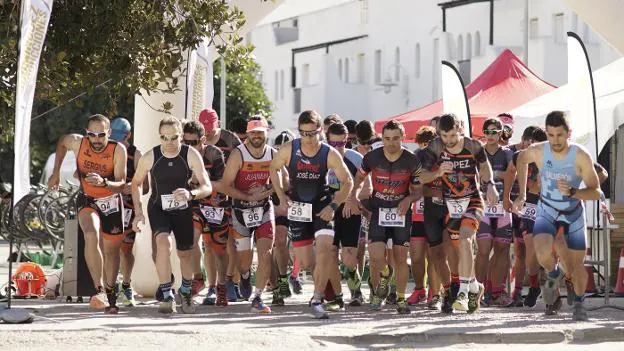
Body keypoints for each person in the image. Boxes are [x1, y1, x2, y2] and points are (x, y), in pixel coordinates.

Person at [512, 111, 602, 320]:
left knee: (575, 265)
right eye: (551, 135)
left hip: (573, 213)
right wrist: (522, 194)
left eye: (560, 135)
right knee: (542, 254)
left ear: (569, 133)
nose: (555, 141)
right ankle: (554, 275)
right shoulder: (539, 151)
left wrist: (574, 192)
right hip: (547, 210)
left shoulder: (580, 156)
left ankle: (579, 304)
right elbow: (521, 159)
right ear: (546, 133)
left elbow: (596, 191)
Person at [270, 110, 353, 319]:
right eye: (303, 133)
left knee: (325, 248)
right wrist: (281, 196)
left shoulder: (329, 153)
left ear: (320, 131)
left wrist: (334, 206)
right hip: (298, 207)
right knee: (306, 263)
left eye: (312, 133)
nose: (307, 139)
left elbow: (348, 182)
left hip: (322, 206)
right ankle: (327, 284)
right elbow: (274, 168)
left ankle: (317, 298)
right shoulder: (290, 148)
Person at [131, 116, 212, 314]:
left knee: (185, 253)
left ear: (181, 136)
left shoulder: (191, 154)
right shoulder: (151, 156)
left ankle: (185, 293)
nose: (168, 143)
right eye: (164, 138)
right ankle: (166, 294)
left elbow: (207, 187)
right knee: (162, 244)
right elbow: (135, 183)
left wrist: (191, 194)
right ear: (159, 137)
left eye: (173, 138)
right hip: (158, 208)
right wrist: (138, 212)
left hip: (183, 209)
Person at [419, 113, 499, 313]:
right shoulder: (435, 147)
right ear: (440, 134)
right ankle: (474, 286)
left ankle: (462, 292)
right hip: (450, 205)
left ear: (460, 130)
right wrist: (437, 172)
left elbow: (484, 166)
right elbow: (421, 177)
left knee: (465, 240)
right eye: (445, 136)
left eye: (453, 136)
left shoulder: (473, 146)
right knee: (461, 248)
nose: (449, 141)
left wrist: (490, 185)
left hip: (473, 200)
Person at [48, 114, 128, 313]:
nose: (97, 140)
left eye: (102, 135)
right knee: (90, 233)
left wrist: (104, 183)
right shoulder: (78, 143)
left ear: (109, 133)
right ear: (87, 134)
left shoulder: (118, 150)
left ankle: (110, 291)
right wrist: (56, 172)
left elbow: (121, 184)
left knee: (112, 252)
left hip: (111, 200)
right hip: (87, 198)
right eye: (93, 135)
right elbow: (62, 142)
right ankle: (99, 289)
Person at [345, 120, 423, 314]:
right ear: (382, 138)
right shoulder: (372, 157)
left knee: (400, 258)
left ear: (402, 137)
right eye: (387, 139)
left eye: (395, 138)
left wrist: (409, 200)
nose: (391, 143)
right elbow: (360, 177)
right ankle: (386, 275)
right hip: (378, 209)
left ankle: (401, 299)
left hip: (400, 212)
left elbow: (419, 191)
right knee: (376, 255)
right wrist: (353, 196)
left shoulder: (412, 160)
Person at [221, 116, 276, 313]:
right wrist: (246, 195)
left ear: (266, 133)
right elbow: (226, 186)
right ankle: (244, 276)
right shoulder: (238, 155)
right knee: (243, 261)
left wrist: (266, 191)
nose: (256, 136)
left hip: (263, 209)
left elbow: (284, 182)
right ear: (247, 133)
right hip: (240, 211)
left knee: (265, 254)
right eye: (253, 132)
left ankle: (258, 296)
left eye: (260, 132)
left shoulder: (272, 154)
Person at [182, 121, 229, 306]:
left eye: (192, 143)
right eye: (185, 142)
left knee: (218, 250)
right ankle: (198, 278)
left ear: (203, 140)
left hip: (217, 205)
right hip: (195, 204)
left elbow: (223, 184)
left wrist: (202, 180)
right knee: (191, 240)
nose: (188, 147)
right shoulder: (182, 154)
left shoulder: (214, 154)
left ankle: (222, 286)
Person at [199, 108, 243, 302]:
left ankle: (229, 281)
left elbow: (242, 163)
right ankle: (211, 286)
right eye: (204, 129)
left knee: (230, 243)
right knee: (208, 245)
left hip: (229, 198)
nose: (207, 133)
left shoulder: (231, 140)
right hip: (206, 199)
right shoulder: (198, 140)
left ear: (218, 123)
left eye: (210, 128)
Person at [109, 117, 150, 307]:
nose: (118, 143)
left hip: (129, 208)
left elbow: (146, 187)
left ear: (129, 136)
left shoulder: (137, 154)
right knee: (109, 248)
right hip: (108, 205)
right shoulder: (106, 150)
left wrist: (132, 186)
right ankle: (106, 288)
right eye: (114, 138)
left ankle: (126, 285)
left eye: (121, 139)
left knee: (125, 249)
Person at [475, 118, 514, 307]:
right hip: (482, 205)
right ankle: (477, 291)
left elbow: (513, 174)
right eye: (486, 131)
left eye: (493, 132)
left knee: (502, 248)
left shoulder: (507, 153)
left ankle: (497, 291)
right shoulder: (478, 152)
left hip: (502, 206)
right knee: (483, 250)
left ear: (500, 133)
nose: (489, 135)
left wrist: (497, 178)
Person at [506, 127, 547, 308]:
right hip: (529, 203)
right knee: (528, 246)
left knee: (546, 249)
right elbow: (510, 172)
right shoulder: (520, 156)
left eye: (534, 144)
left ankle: (545, 280)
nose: (530, 147)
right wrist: (506, 196)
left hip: (549, 203)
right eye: (527, 142)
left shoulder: (553, 155)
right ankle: (533, 285)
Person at [325, 123, 365, 308]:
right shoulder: (320, 157)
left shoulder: (356, 158)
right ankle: (337, 296)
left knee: (349, 257)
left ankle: (356, 291)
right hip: (328, 211)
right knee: (330, 254)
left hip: (350, 210)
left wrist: (352, 199)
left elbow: (369, 188)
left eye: (342, 143)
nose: (338, 148)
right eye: (334, 144)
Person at [406, 126, 443, 309]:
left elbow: (443, 189)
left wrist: (428, 189)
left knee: (434, 254)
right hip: (417, 215)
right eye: (423, 144)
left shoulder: (440, 159)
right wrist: (428, 190)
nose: (426, 148)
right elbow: (414, 187)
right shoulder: (416, 158)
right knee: (416, 256)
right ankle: (419, 289)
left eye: (430, 143)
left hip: (435, 213)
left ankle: (434, 293)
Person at [271, 131, 302, 299]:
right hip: (278, 206)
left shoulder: (301, 159)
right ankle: (280, 281)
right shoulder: (273, 161)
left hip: (298, 206)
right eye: (277, 149)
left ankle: (295, 274)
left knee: (301, 245)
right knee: (279, 241)